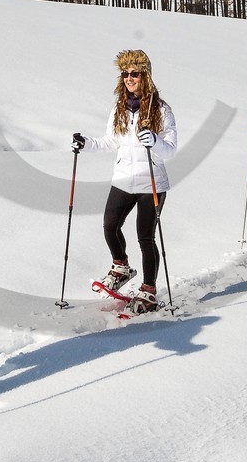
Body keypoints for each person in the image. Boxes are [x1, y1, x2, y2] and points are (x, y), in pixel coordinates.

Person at [72, 49, 177, 311]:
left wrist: (155, 141)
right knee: (110, 225)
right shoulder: (119, 108)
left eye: (135, 73)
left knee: (145, 237)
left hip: (151, 182)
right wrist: (85, 143)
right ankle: (121, 267)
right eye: (125, 73)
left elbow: (171, 149)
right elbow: (111, 141)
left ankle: (149, 290)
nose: (129, 78)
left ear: (146, 76)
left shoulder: (161, 110)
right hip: (123, 179)